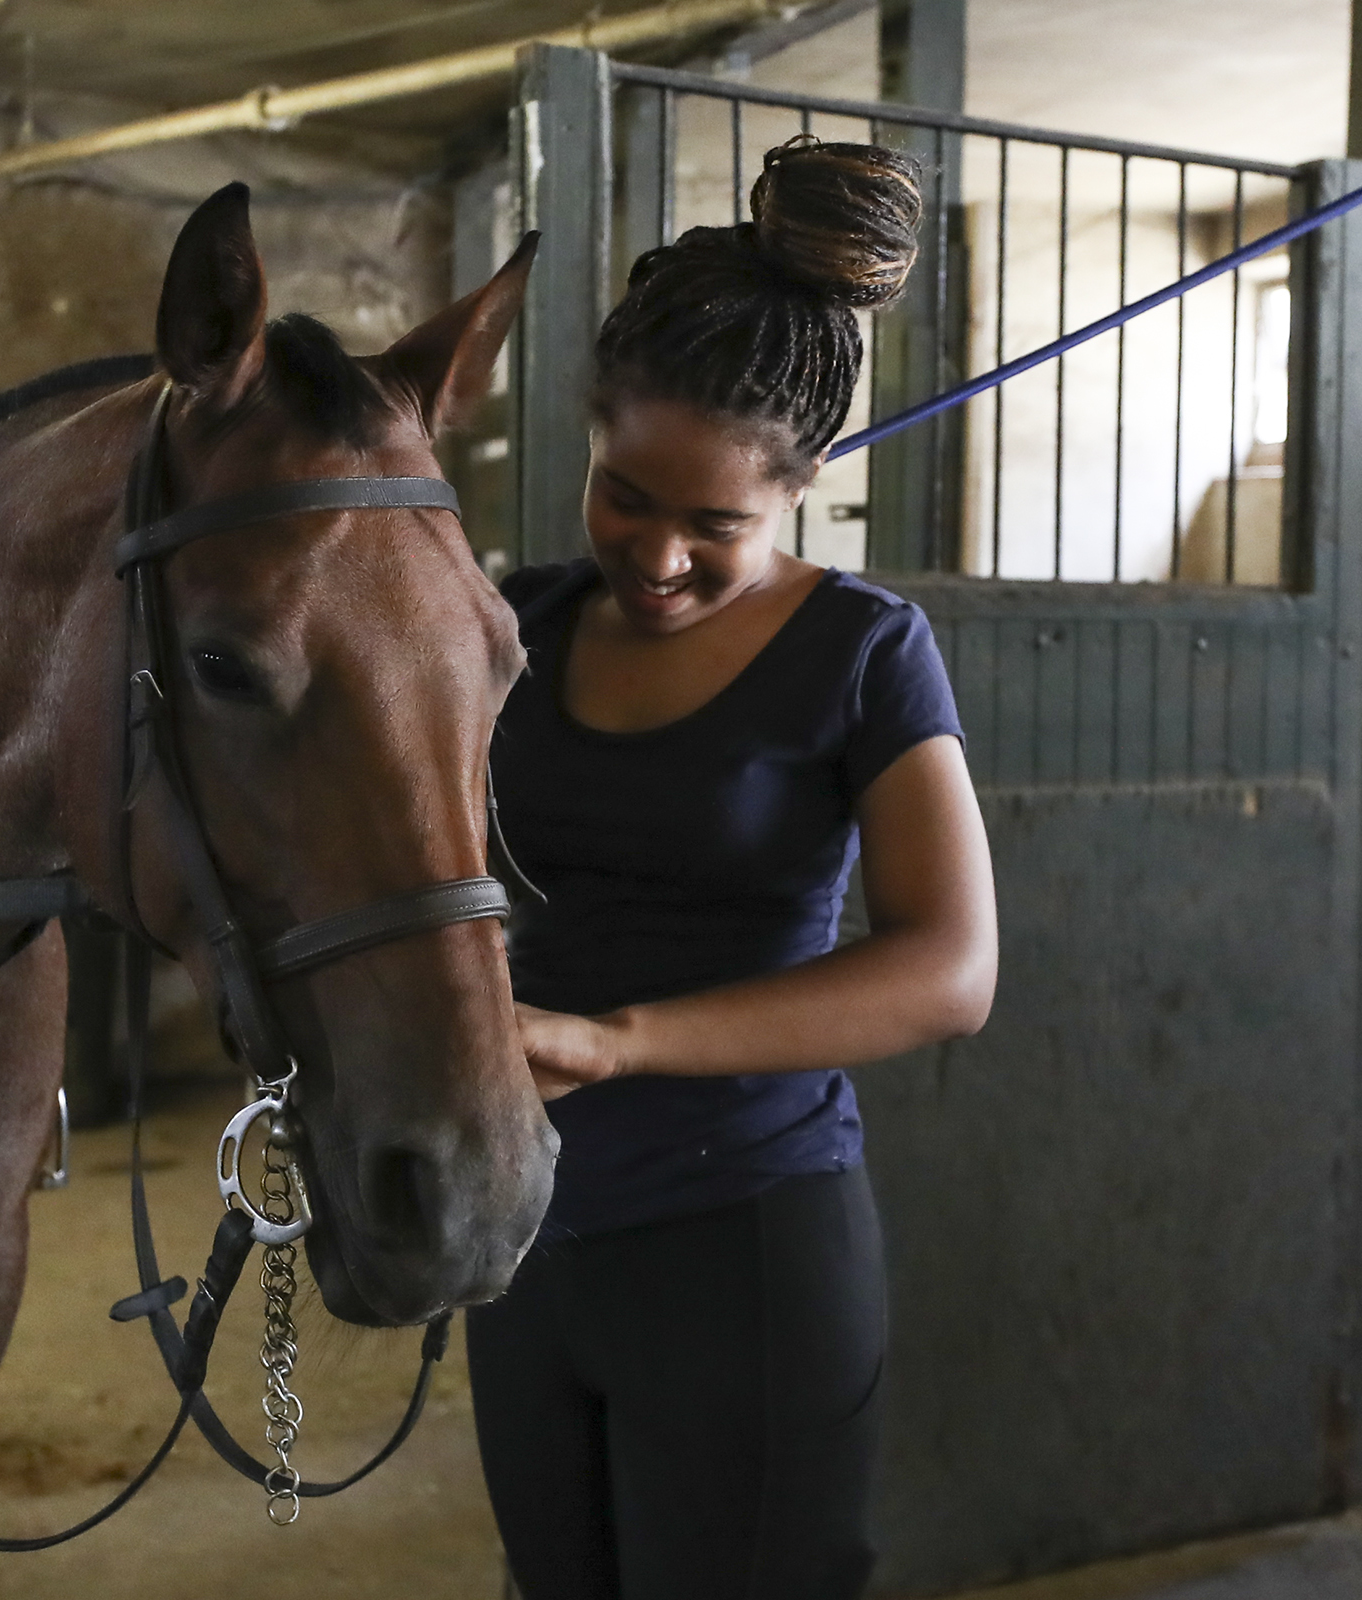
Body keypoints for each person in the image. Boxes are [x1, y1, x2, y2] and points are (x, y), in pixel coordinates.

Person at [469, 137, 999, 1599]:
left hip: (745, 1238)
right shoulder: (513, 626)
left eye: (718, 525)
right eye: (625, 492)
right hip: (525, 1231)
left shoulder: (865, 652)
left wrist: (623, 1042)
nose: (656, 556)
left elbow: (951, 973)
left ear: (801, 490)